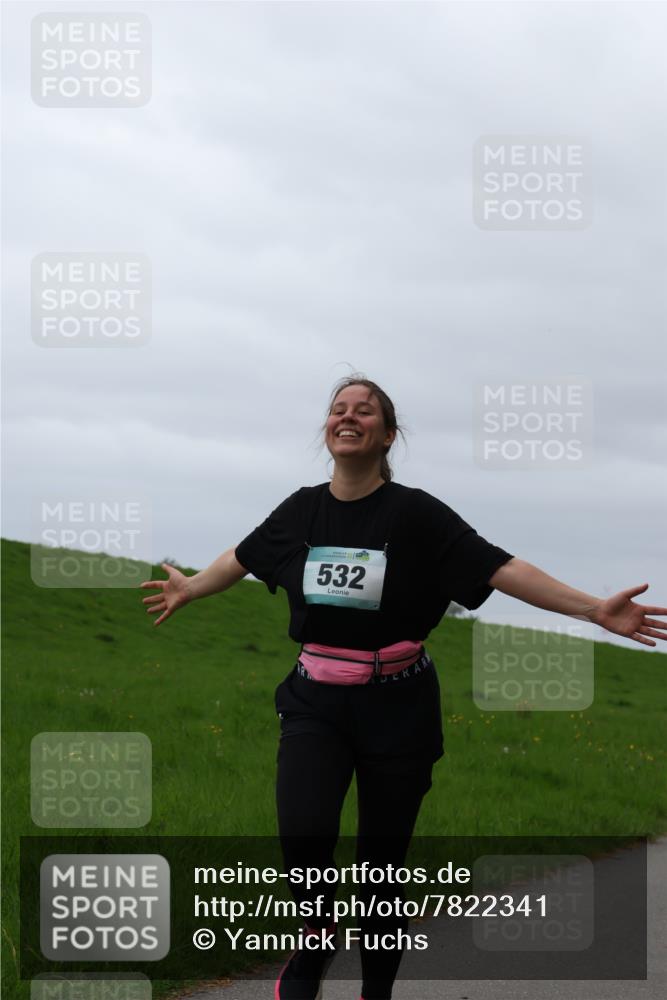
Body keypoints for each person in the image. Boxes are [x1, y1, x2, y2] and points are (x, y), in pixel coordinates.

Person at [140, 375, 667, 1000]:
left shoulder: (415, 513)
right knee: (304, 836)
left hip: (399, 703)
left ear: (388, 435)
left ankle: (376, 991)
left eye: (365, 411)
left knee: (381, 870)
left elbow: (500, 568)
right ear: (327, 429)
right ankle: (316, 935)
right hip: (316, 700)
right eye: (338, 409)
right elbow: (247, 554)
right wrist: (192, 586)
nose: (348, 417)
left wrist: (591, 610)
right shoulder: (301, 509)